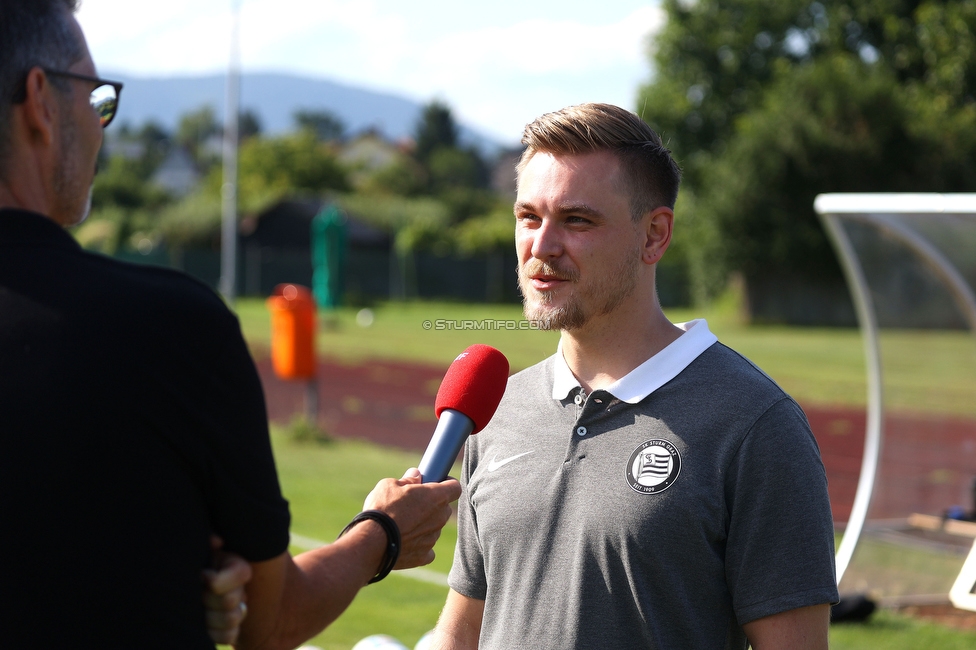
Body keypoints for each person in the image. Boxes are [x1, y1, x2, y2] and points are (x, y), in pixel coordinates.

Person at [0, 2, 461, 648]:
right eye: (97, 99)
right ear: (42, 102)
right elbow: (272, 622)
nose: (101, 124)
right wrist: (380, 533)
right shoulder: (170, 330)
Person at [429, 103, 839, 649]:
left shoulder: (756, 424)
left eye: (577, 220)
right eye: (529, 217)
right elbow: (462, 637)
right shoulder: (497, 409)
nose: (542, 247)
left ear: (654, 236)